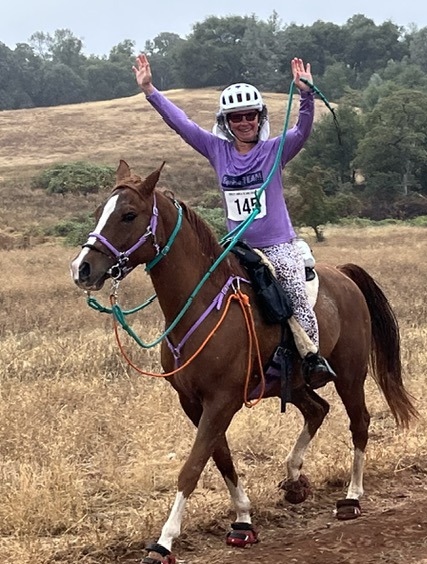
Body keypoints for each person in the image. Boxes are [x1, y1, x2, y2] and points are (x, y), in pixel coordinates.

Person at [132, 53, 335, 388]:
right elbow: (181, 123)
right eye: (236, 117)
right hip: (237, 247)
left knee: (295, 291)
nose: (244, 122)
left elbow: (302, 131)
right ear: (226, 121)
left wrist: (307, 95)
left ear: (260, 117)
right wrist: (150, 89)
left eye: (250, 115)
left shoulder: (275, 149)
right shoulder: (217, 150)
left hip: (278, 246)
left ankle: (310, 358)